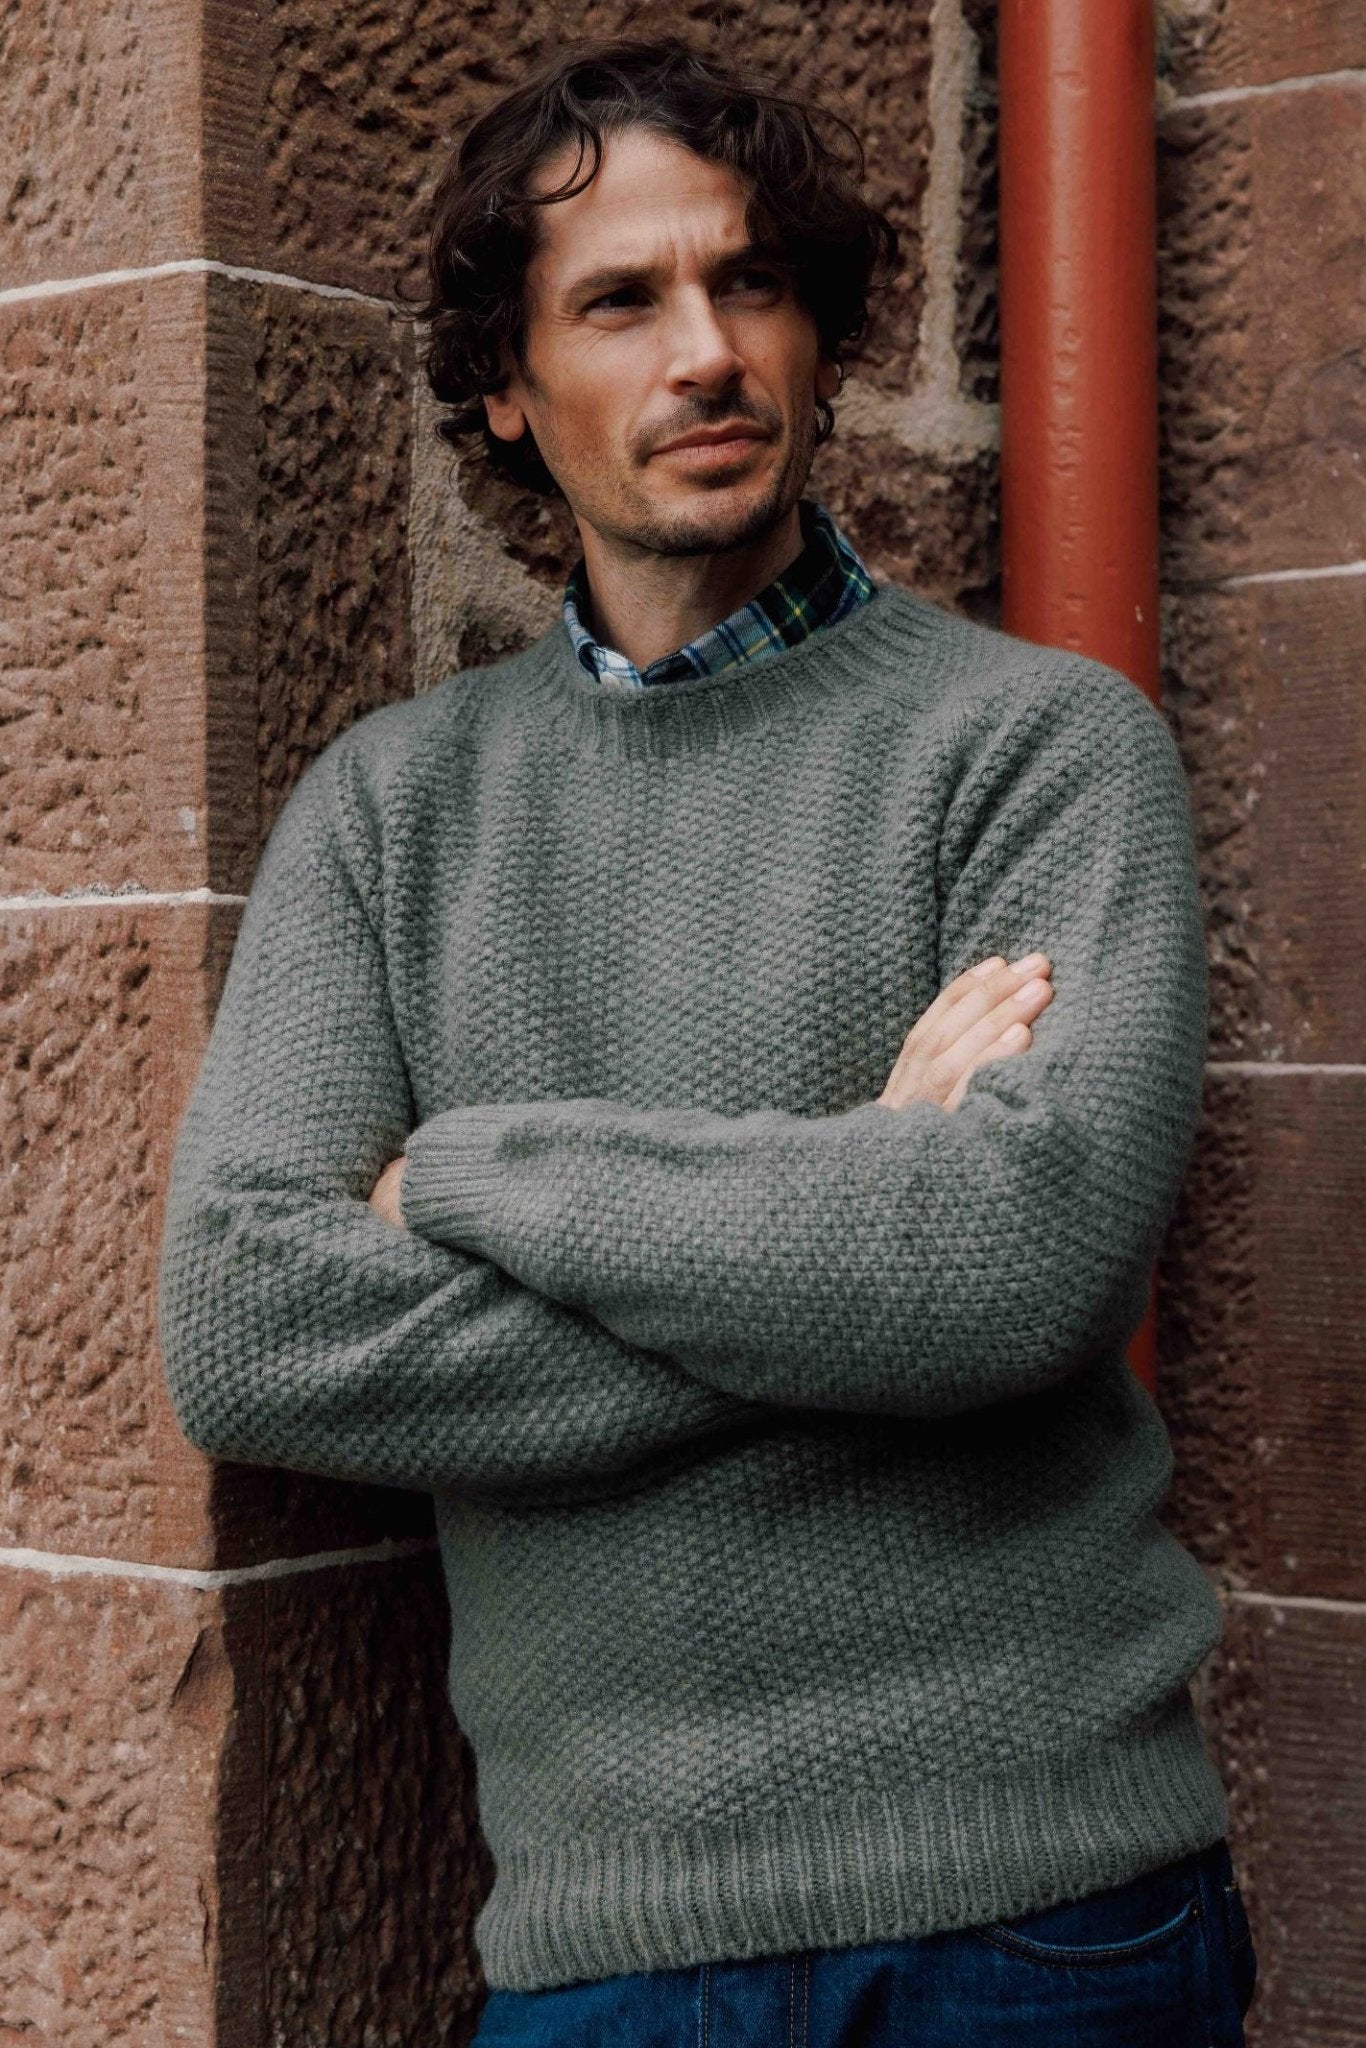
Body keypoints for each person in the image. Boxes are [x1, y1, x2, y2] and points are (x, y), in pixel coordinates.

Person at [157, 35, 1259, 2047]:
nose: (704, 352)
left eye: (748, 282)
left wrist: (475, 1173)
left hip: (1036, 1915)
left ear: (820, 334)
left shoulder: (1031, 748)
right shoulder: (394, 813)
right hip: (601, 1947)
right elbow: (248, 1323)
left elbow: (1006, 1266)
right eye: (618, 301)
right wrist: (855, 1204)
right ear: (506, 384)